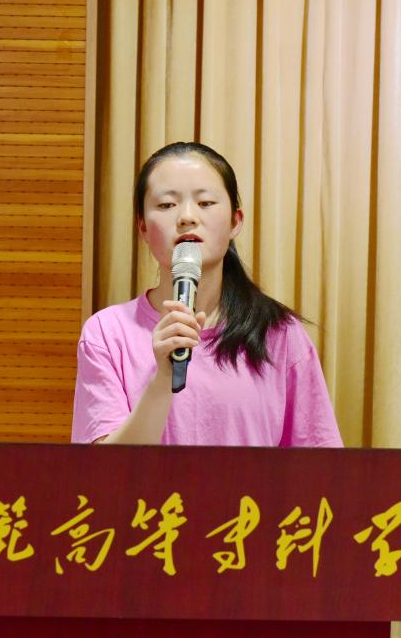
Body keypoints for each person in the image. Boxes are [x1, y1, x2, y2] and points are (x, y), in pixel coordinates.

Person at [71, 141, 343, 448]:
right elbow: (103, 469)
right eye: (167, 205)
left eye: (205, 203)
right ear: (143, 227)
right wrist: (162, 379)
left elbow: (319, 463)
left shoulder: (280, 334)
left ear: (235, 221)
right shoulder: (106, 334)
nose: (187, 217)